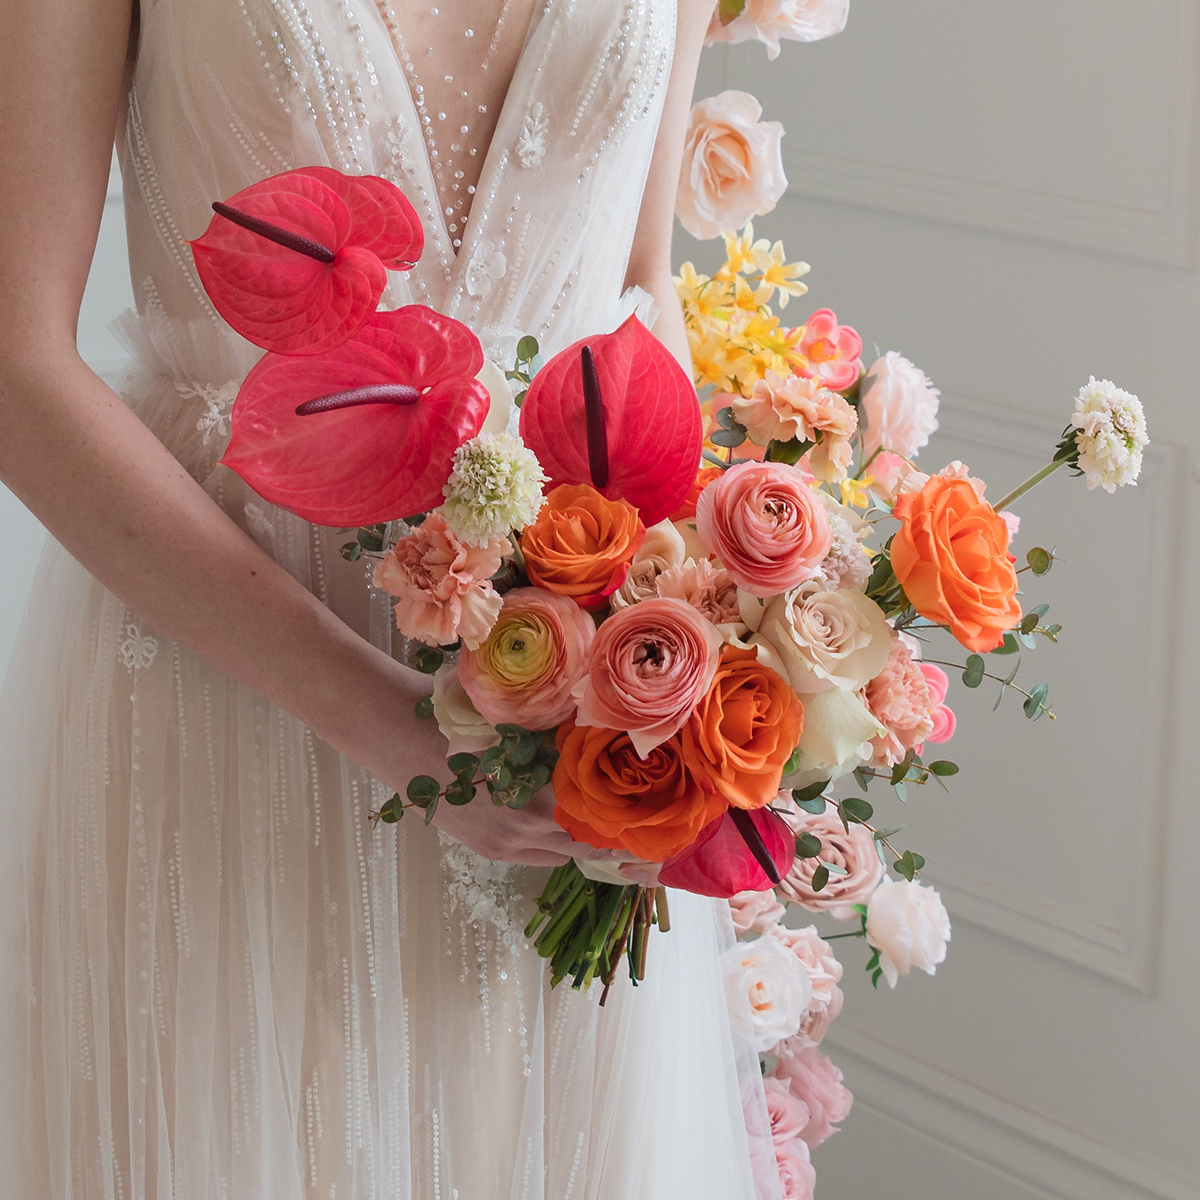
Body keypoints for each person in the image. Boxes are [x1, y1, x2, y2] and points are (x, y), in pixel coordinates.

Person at [0, 0, 776, 1195]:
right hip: (223, 700)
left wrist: (690, 663)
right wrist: (390, 725)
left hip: (560, 741)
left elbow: (635, 283)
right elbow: (14, 373)